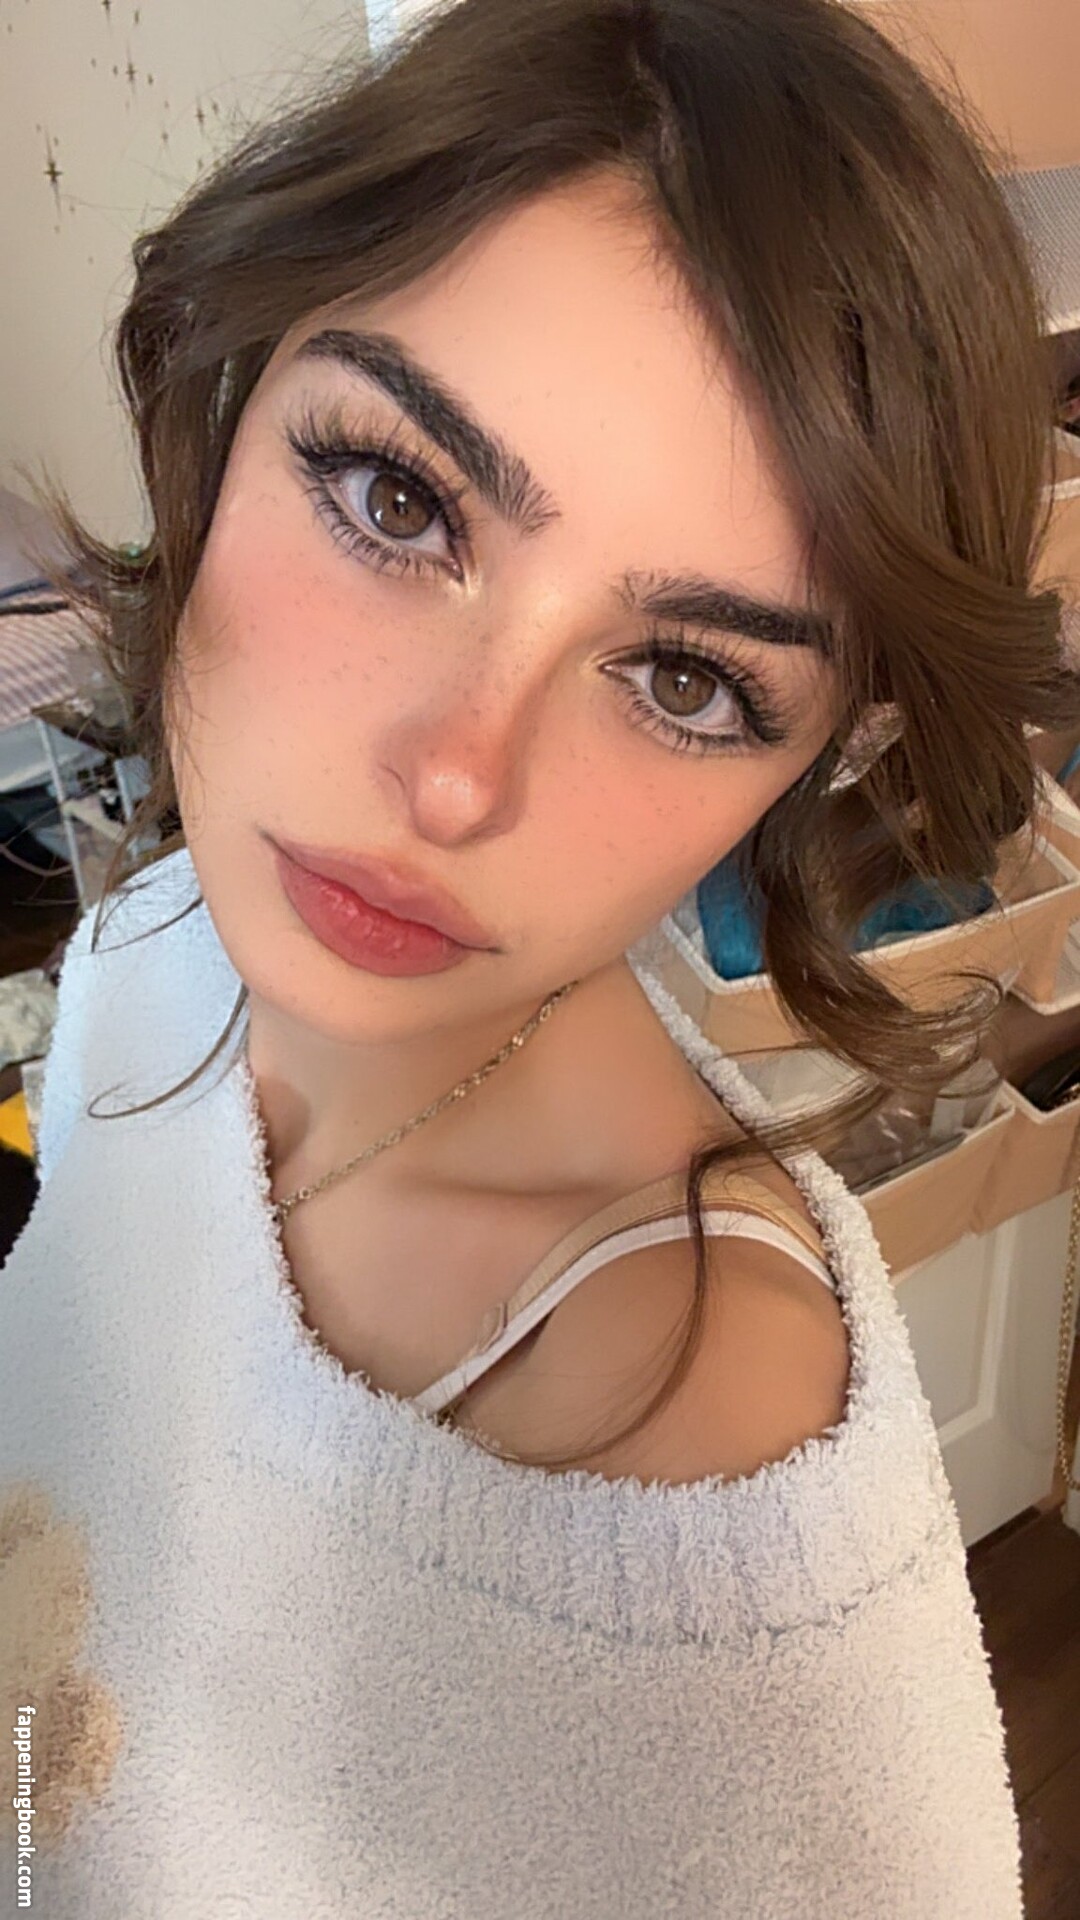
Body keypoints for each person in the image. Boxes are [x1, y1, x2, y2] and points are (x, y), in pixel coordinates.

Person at [2, 1, 1075, 1912]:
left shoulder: (719, 1514)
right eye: (398, 499)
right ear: (233, 382)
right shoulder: (156, 944)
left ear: (820, 761)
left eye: (684, 678)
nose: (455, 774)